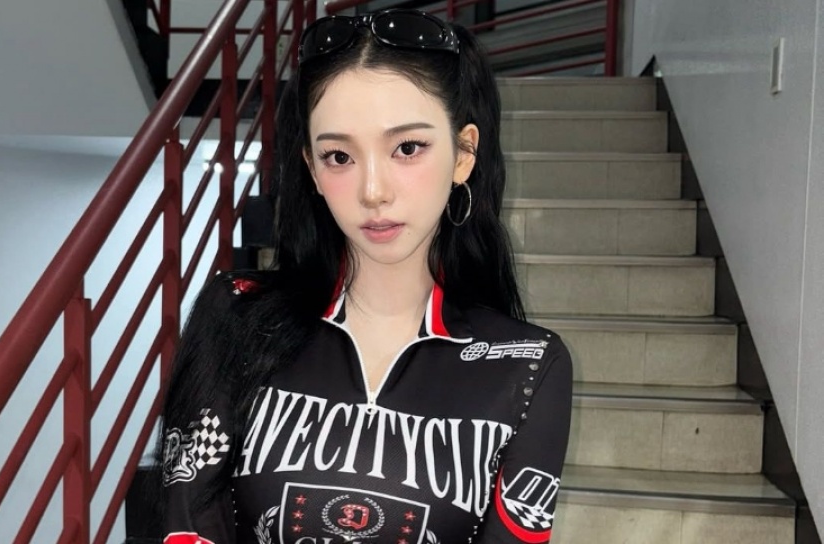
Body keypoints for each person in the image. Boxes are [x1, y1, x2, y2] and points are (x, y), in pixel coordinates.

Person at [157, 8, 573, 544]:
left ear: (464, 154)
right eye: (339, 155)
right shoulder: (235, 317)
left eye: (407, 148)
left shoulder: (528, 365)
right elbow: (189, 526)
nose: (373, 191)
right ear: (311, 168)